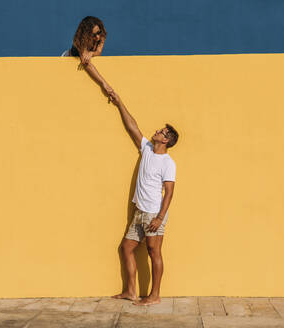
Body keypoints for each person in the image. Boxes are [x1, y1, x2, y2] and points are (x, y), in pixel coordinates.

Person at [109, 91, 179, 306]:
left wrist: (159, 217)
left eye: (161, 131)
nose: (157, 131)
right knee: (126, 248)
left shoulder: (168, 163)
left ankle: (154, 295)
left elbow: (169, 193)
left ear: (166, 140)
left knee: (153, 251)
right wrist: (119, 102)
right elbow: (132, 126)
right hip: (140, 212)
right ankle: (130, 291)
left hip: (153, 214)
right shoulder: (147, 149)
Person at [62, 16, 113, 97]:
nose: (97, 37)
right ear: (86, 35)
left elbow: (98, 51)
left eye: (98, 33)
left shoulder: (101, 35)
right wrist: (104, 84)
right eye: (93, 35)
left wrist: (91, 53)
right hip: (67, 59)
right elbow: (86, 63)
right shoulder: (81, 42)